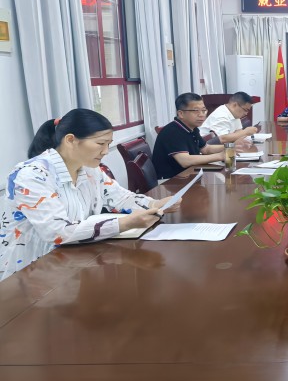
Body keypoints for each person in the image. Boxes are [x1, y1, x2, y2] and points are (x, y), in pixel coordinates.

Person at [0, 109, 179, 280]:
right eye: (101, 143)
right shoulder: (31, 176)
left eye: (108, 144)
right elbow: (58, 231)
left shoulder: (90, 169)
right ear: (70, 140)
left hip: (72, 259)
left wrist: (154, 204)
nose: (106, 151)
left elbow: (121, 197)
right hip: (30, 270)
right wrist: (124, 223)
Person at [152, 93, 226, 180]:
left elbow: (206, 149)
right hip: (169, 181)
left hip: (188, 174)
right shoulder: (172, 132)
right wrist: (220, 156)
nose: (201, 114)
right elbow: (185, 161)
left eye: (203, 110)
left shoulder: (192, 128)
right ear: (181, 114)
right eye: (196, 111)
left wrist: (230, 147)